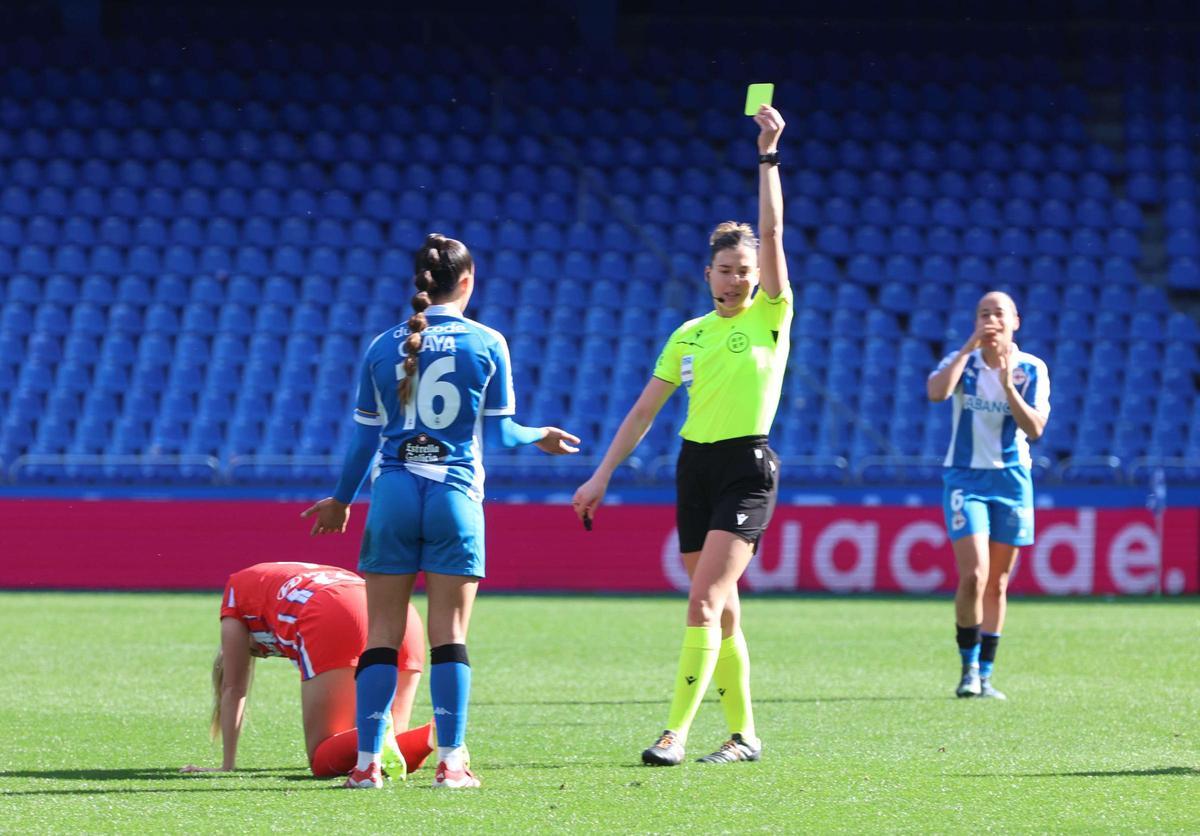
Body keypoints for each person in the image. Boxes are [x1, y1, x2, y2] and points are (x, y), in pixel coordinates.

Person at [302, 233, 579, 789]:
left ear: (420, 283)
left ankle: (366, 765)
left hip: (394, 496)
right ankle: (451, 762)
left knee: (379, 634)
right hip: (454, 497)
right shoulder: (487, 342)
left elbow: (363, 441)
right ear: (468, 281)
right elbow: (501, 433)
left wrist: (340, 499)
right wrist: (538, 436)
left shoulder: (383, 346)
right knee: (449, 635)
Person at [572, 105, 790, 766]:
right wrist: (601, 474)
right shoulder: (687, 336)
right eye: (726, 269)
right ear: (708, 275)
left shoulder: (772, 317)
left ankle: (675, 733)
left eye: (746, 268)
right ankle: (745, 734)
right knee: (721, 613)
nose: (737, 277)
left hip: (747, 467)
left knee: (703, 604)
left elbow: (775, 229)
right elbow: (643, 412)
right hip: (694, 468)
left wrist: (768, 154)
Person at [180, 561, 436, 779]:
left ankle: (383, 729)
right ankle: (436, 734)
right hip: (396, 609)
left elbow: (233, 687)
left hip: (332, 610)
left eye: (260, 651)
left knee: (322, 759)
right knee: (386, 759)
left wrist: (227, 765)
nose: (265, 654)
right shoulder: (276, 578)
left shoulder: (234, 595)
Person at [926, 291, 1050, 700]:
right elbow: (936, 393)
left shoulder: (1032, 368)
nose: (991, 319)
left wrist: (1007, 385)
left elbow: (1034, 429)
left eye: (998, 313)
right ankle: (966, 670)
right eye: (983, 313)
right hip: (966, 478)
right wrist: (967, 347)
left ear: (1015, 320)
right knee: (974, 574)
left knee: (997, 582)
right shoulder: (963, 362)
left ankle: (986, 672)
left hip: (1013, 480)